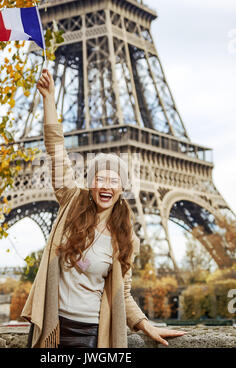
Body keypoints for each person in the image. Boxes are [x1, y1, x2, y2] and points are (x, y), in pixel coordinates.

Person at [21, 69, 187, 348]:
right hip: (53, 328)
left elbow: (122, 294)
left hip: (91, 335)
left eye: (113, 180)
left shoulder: (125, 238)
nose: (106, 185)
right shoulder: (72, 201)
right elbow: (56, 150)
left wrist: (146, 325)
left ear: (121, 189)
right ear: (91, 183)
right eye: (100, 178)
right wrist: (49, 99)